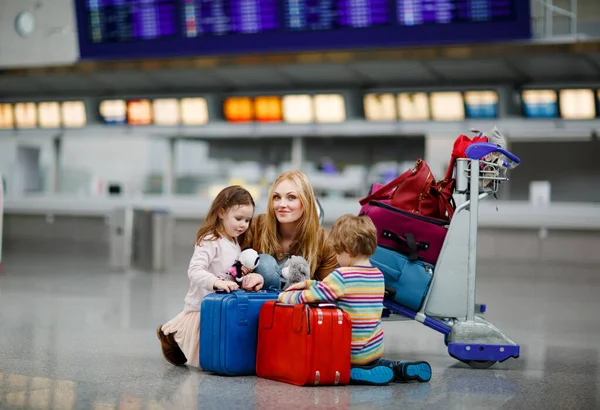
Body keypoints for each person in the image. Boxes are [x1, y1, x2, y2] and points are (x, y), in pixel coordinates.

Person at [278, 214, 432, 385]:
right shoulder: (378, 275)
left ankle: (355, 373)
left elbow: (311, 296)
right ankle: (398, 368)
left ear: (349, 252)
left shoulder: (342, 275)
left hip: (351, 352)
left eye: (337, 253)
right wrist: (310, 282)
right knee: (376, 363)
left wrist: (285, 296)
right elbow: (338, 288)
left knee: (332, 368)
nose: (336, 258)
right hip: (374, 348)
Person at [156, 185, 256, 367]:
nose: (243, 224)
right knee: (200, 355)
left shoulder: (234, 243)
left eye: (248, 220)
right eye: (238, 218)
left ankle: (173, 336)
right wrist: (216, 282)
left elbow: (229, 271)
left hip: (219, 305)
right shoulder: (210, 240)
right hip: (203, 302)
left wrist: (240, 274)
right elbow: (194, 270)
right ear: (221, 213)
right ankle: (170, 334)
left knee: (210, 347)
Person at [240, 170, 338, 291]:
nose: (281, 204)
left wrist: (307, 286)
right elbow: (232, 268)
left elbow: (329, 290)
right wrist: (249, 277)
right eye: (276, 197)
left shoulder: (324, 241)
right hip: (257, 304)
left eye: (291, 197)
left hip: (298, 305)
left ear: (306, 202)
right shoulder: (256, 225)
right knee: (266, 262)